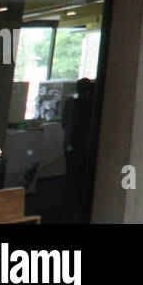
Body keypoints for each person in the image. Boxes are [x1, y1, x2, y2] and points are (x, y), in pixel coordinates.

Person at [62, 78, 95, 214]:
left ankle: (69, 200)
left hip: (70, 143)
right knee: (83, 173)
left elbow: (64, 124)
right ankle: (81, 200)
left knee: (71, 172)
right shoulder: (94, 105)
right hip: (86, 145)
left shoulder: (71, 104)